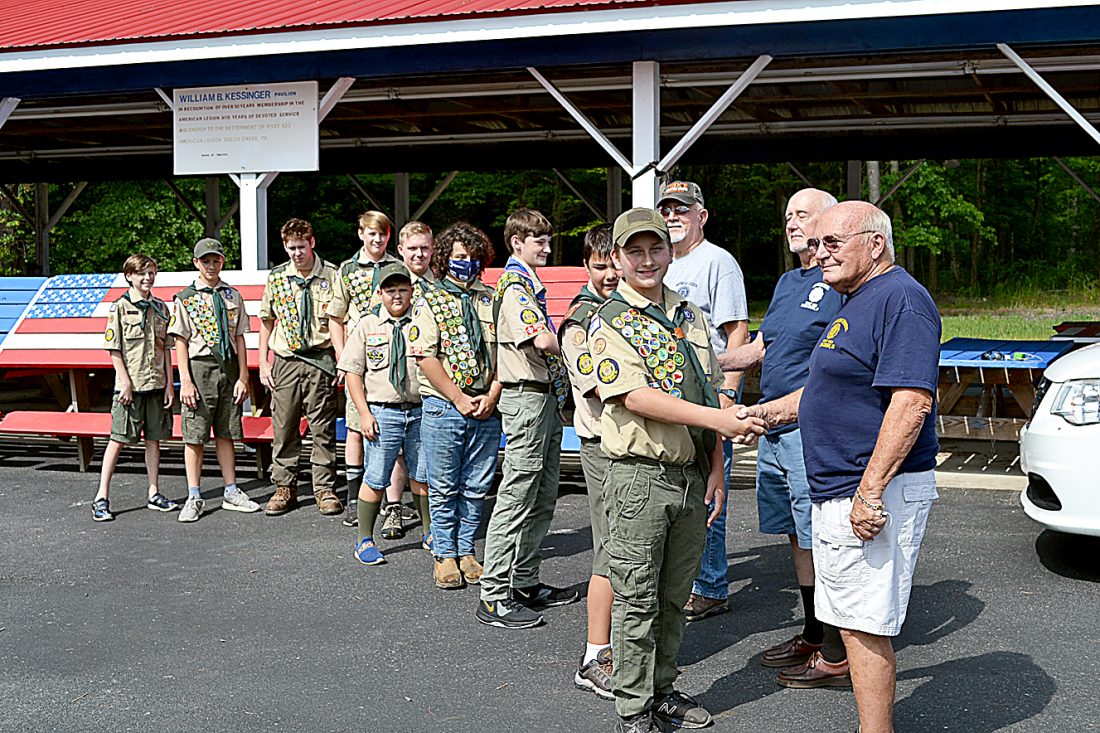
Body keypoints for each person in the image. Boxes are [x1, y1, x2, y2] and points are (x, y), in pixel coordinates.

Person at [741, 201, 940, 733]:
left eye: (832, 242)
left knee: (863, 624)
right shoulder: (856, 298)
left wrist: (869, 492)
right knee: (850, 620)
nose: (819, 252)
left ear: (875, 244)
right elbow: (826, 387)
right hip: (839, 488)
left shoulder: (901, 300)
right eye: (816, 243)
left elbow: (911, 403)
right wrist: (766, 413)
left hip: (866, 488)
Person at [594, 207, 767, 733]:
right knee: (637, 598)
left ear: (670, 252)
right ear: (617, 259)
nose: (647, 260)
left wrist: (716, 466)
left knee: (674, 597)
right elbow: (634, 395)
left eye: (656, 249)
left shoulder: (688, 315)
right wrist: (720, 421)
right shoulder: (608, 320)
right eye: (635, 251)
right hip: (640, 477)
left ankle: (662, 690)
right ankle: (633, 708)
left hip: (691, 475)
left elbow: (707, 389)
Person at [754, 189, 851, 688]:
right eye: (787, 215)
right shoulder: (787, 281)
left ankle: (837, 649)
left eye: (803, 214)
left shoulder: (838, 281)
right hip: (770, 431)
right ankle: (814, 632)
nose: (792, 223)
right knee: (797, 534)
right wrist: (704, 361)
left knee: (822, 534)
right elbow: (761, 346)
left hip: (807, 430)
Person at [476, 207, 575, 630]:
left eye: (548, 239)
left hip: (544, 398)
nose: (547, 247)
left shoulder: (529, 284)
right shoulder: (516, 286)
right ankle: (494, 594)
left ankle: (525, 581)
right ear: (517, 242)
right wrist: (580, 346)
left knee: (542, 493)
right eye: (539, 240)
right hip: (526, 398)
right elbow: (542, 340)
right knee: (518, 495)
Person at [657, 180, 750, 622]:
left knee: (711, 488)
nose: (673, 216)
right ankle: (685, 578)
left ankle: (711, 585)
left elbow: (737, 332)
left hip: (710, 395)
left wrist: (728, 393)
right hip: (671, 398)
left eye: (682, 209)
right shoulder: (661, 263)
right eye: (667, 210)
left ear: (702, 215)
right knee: (679, 489)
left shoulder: (718, 262)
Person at [408, 222, 501, 589]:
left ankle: (467, 551)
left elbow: (505, 353)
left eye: (475, 257)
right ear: (446, 258)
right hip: (444, 406)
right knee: (444, 485)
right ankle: (444, 554)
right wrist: (459, 398)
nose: (468, 263)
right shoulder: (429, 299)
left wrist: (492, 395)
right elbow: (424, 356)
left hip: (486, 406)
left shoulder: (490, 299)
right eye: (461, 256)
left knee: (477, 485)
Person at [558, 223, 618, 699]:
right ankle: (595, 655)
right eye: (601, 267)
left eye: (615, 265)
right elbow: (598, 385)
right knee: (609, 548)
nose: (610, 274)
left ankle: (623, 644)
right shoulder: (579, 321)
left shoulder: (632, 311)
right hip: (601, 443)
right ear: (587, 267)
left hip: (633, 444)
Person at [338, 262, 429, 565]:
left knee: (422, 475)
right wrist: (364, 414)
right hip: (383, 412)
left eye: (403, 289)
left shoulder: (423, 322)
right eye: (390, 290)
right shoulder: (367, 325)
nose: (397, 295)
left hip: (420, 410)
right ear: (380, 293)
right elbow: (353, 373)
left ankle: (430, 533)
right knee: (376, 477)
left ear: (412, 291)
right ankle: (364, 540)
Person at [170, 238, 260, 522]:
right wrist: (185, 380)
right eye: (205, 261)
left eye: (216, 260)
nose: (211, 266)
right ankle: (194, 495)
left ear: (222, 262)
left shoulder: (232, 295)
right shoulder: (186, 298)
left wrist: (243, 376)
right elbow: (181, 341)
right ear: (196, 263)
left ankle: (231, 490)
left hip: (229, 369)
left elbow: (240, 337)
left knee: (227, 431)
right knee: (195, 434)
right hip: (199, 369)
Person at [259, 218, 343, 517]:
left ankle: (324, 488)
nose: (297, 253)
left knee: (322, 428)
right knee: (284, 427)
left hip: (319, 359)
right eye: (291, 248)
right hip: (286, 360)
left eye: (301, 247)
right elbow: (267, 320)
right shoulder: (278, 277)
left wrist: (342, 358)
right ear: (285, 246)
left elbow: (340, 320)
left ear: (312, 243)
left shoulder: (332, 275)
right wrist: (263, 362)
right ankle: (285, 487)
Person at [365, 220, 439, 539]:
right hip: (391, 388)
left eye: (424, 248)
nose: (419, 254)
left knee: (424, 457)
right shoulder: (389, 285)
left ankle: (432, 522)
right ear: (401, 250)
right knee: (392, 450)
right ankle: (393, 507)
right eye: (412, 248)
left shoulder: (440, 289)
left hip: (427, 389)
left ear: (432, 249)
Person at [329, 211, 400, 529]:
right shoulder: (347, 270)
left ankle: (390, 500)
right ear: (361, 234)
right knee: (356, 428)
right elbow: (336, 317)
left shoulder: (397, 267)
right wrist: (344, 358)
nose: (377, 239)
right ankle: (354, 497)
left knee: (393, 429)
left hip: (391, 358)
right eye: (371, 233)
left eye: (382, 234)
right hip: (361, 358)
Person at [91, 254, 176, 521]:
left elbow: (166, 348)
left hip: (156, 384)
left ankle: (154, 492)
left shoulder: (161, 308)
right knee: (118, 439)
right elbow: (113, 349)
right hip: (129, 387)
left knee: (154, 439)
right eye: (142, 273)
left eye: (151, 273)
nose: (148, 278)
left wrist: (170, 384)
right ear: (129, 276)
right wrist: (125, 382)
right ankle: (101, 497)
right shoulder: (120, 307)